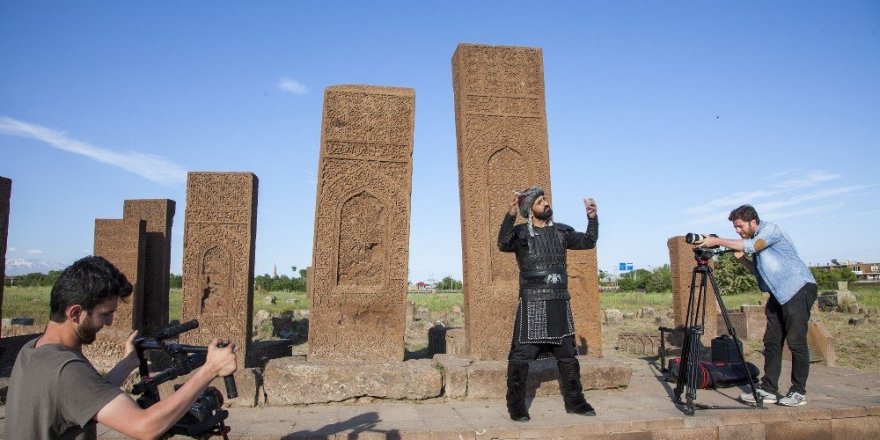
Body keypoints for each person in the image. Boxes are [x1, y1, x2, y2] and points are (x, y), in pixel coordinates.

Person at [3, 256, 237, 440]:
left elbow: (85, 396)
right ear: (74, 312)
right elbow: (145, 427)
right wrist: (209, 370)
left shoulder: (32, 350)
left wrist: (127, 364)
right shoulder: (66, 369)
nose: (110, 322)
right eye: (105, 314)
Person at [698, 204, 817, 407]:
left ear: (753, 222)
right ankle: (768, 389)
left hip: (798, 289)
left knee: (796, 343)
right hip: (778, 295)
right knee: (771, 342)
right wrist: (742, 259)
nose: (738, 231)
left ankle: (798, 392)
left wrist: (716, 241)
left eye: (740, 226)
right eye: (735, 228)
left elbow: (753, 245)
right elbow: (760, 275)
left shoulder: (770, 231)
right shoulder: (755, 244)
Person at [497, 186, 599, 422]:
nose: (546, 203)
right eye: (540, 201)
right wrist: (510, 215)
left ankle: (576, 402)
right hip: (533, 301)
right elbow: (502, 243)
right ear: (530, 210)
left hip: (558, 301)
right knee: (521, 356)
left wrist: (592, 218)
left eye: (545, 199)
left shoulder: (562, 232)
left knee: (567, 355)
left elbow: (588, 241)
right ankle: (516, 406)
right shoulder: (521, 234)